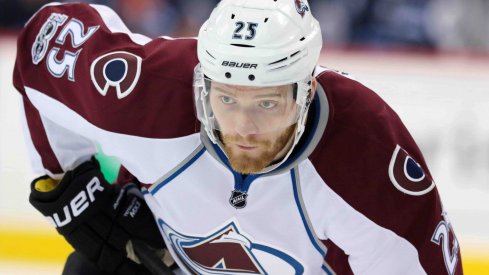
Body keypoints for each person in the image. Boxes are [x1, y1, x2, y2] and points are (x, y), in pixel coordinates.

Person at [13, 0, 463, 274]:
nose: (243, 129)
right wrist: (69, 186)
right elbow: (43, 45)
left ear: (306, 90)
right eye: (227, 100)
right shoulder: (150, 93)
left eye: (267, 104)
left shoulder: (367, 159)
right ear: (203, 85)